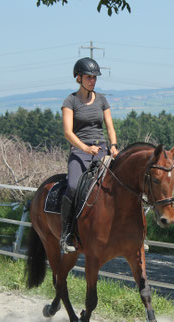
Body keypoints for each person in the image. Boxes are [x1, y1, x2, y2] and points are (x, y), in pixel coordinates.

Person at [60, 57, 119, 253]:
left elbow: (110, 127)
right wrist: (85, 149)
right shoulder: (70, 101)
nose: (92, 80)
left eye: (95, 77)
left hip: (101, 149)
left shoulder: (102, 99)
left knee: (120, 185)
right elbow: (68, 132)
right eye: (88, 77)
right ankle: (67, 232)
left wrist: (113, 145)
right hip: (80, 151)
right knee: (74, 185)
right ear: (78, 78)